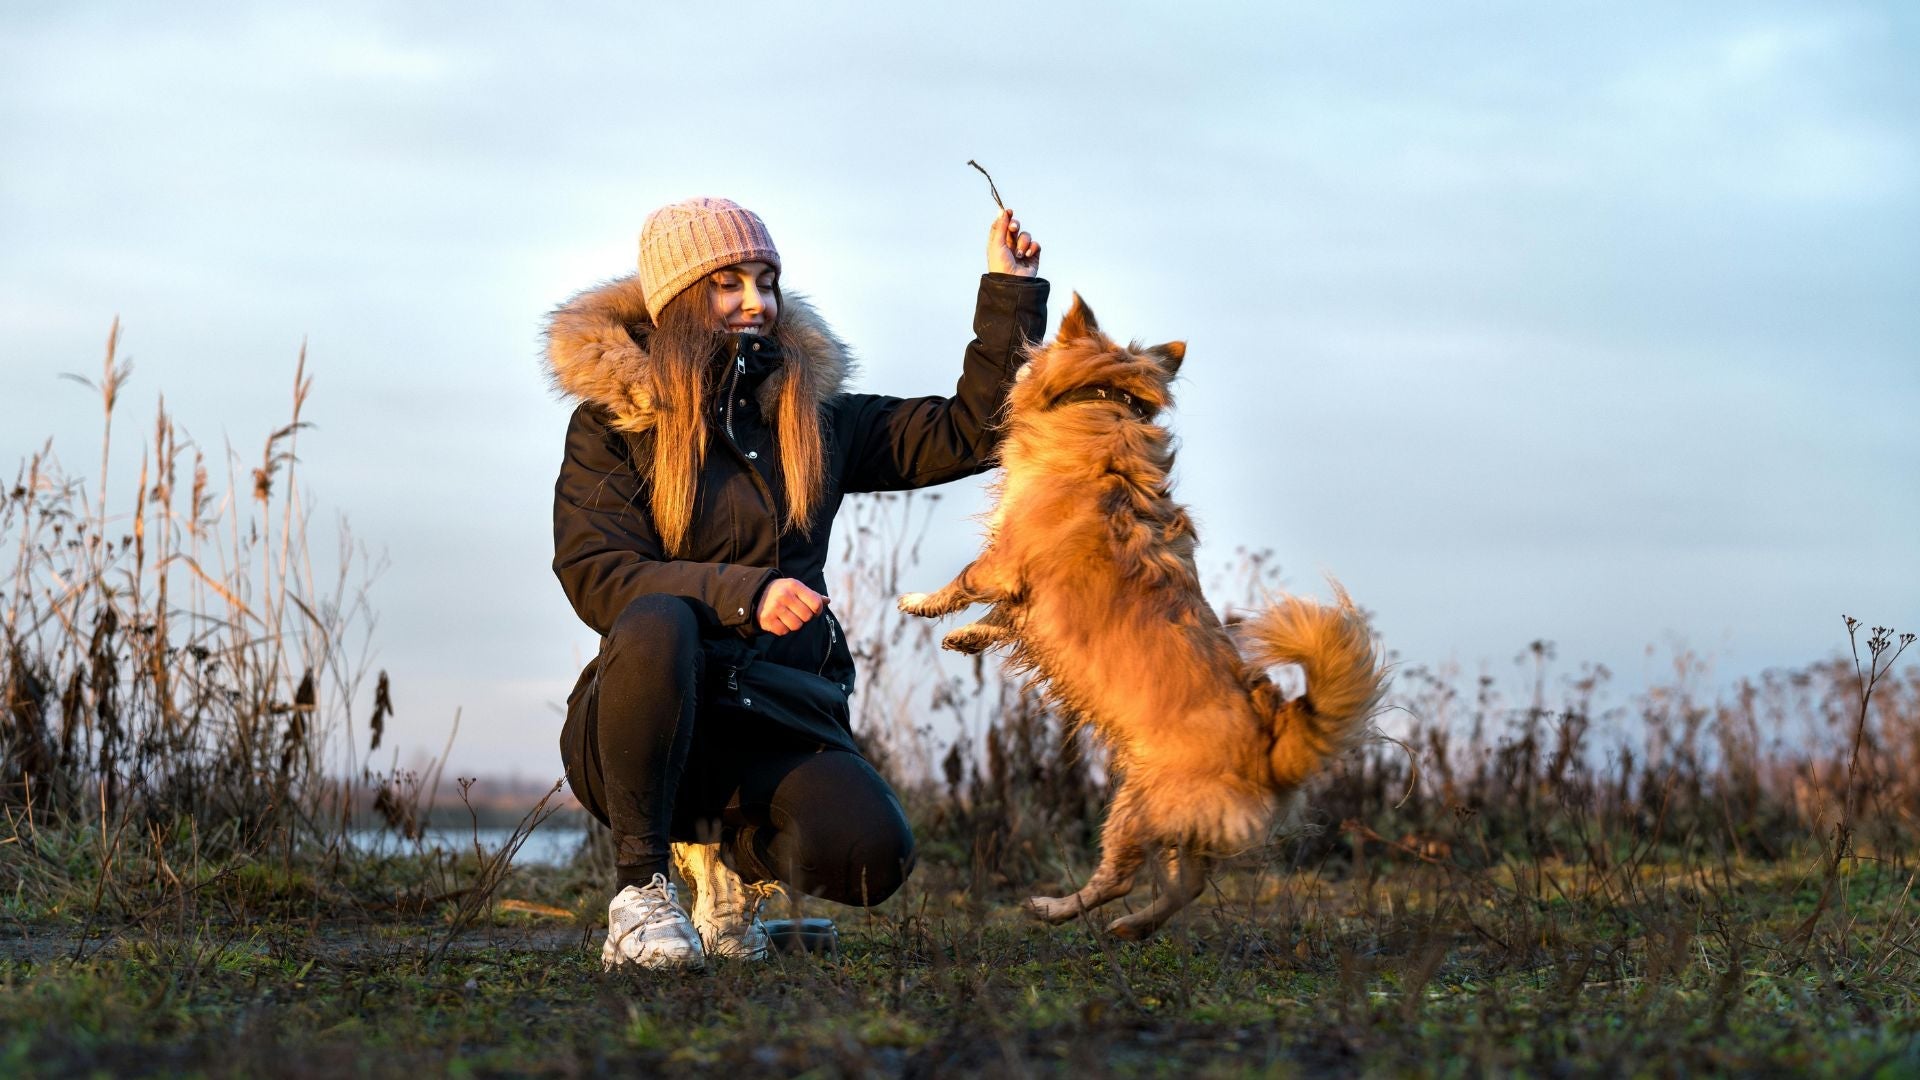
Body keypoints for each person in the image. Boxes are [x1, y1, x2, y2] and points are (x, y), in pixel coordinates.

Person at [543, 196, 1046, 969]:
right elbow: (597, 572)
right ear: (676, 299)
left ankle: (726, 878)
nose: (757, 302)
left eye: (767, 281)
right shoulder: (612, 425)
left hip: (774, 713)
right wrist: (745, 595)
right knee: (655, 620)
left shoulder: (813, 418)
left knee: (873, 855)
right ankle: (641, 894)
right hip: (643, 721)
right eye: (730, 283)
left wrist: (1008, 292)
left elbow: (969, 433)